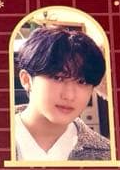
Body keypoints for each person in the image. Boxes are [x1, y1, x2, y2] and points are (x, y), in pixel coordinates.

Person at [14, 25, 111, 161]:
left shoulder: (107, 155)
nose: (69, 96)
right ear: (26, 80)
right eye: (58, 78)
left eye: (82, 82)